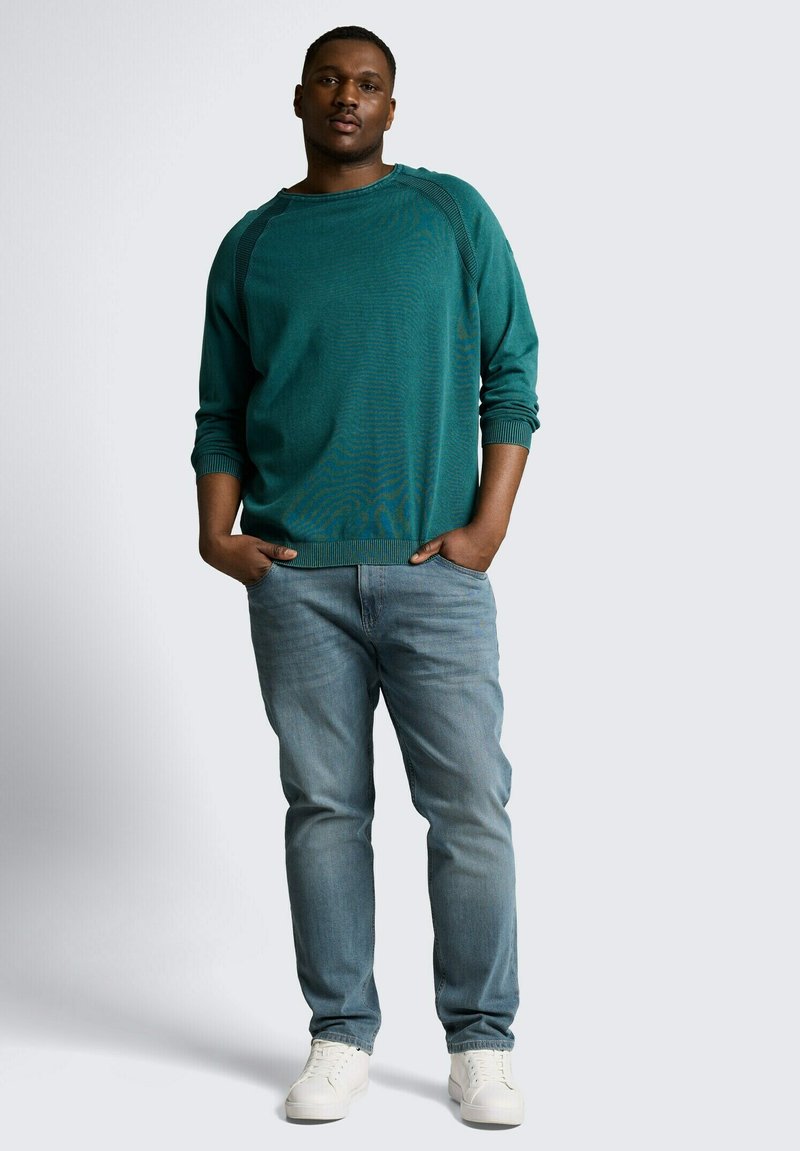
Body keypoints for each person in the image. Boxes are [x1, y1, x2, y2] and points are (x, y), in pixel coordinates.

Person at [190, 25, 540, 1126]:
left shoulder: (450, 214)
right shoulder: (253, 245)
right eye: (332, 81)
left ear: (392, 105)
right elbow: (219, 409)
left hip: (435, 573)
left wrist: (486, 526)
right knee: (325, 808)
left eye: (370, 84)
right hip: (297, 578)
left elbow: (511, 374)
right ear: (300, 97)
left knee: (469, 806)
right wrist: (215, 533)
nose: (349, 97)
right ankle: (340, 1032)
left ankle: (480, 1042)